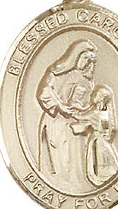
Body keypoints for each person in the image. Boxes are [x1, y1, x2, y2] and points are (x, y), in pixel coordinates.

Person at [36, 40, 97, 192]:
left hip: (76, 123)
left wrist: (86, 112)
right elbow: (43, 92)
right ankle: (62, 187)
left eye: (91, 61)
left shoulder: (86, 79)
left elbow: (84, 102)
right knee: (61, 159)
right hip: (56, 121)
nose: (88, 63)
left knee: (76, 159)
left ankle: (76, 188)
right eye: (85, 58)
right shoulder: (56, 73)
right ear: (75, 56)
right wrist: (61, 107)